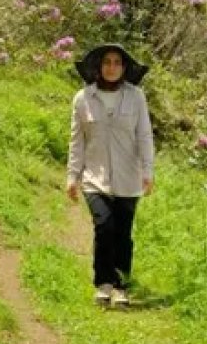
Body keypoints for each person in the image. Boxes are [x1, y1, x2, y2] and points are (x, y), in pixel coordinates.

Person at [65, 43, 155, 308]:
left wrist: (148, 171)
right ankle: (103, 283)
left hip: (129, 177)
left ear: (124, 68)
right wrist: (73, 176)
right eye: (107, 62)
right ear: (98, 67)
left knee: (122, 233)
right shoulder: (83, 98)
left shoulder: (136, 96)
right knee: (103, 226)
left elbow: (144, 136)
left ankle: (120, 286)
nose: (112, 67)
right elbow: (77, 141)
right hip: (95, 177)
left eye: (117, 62)